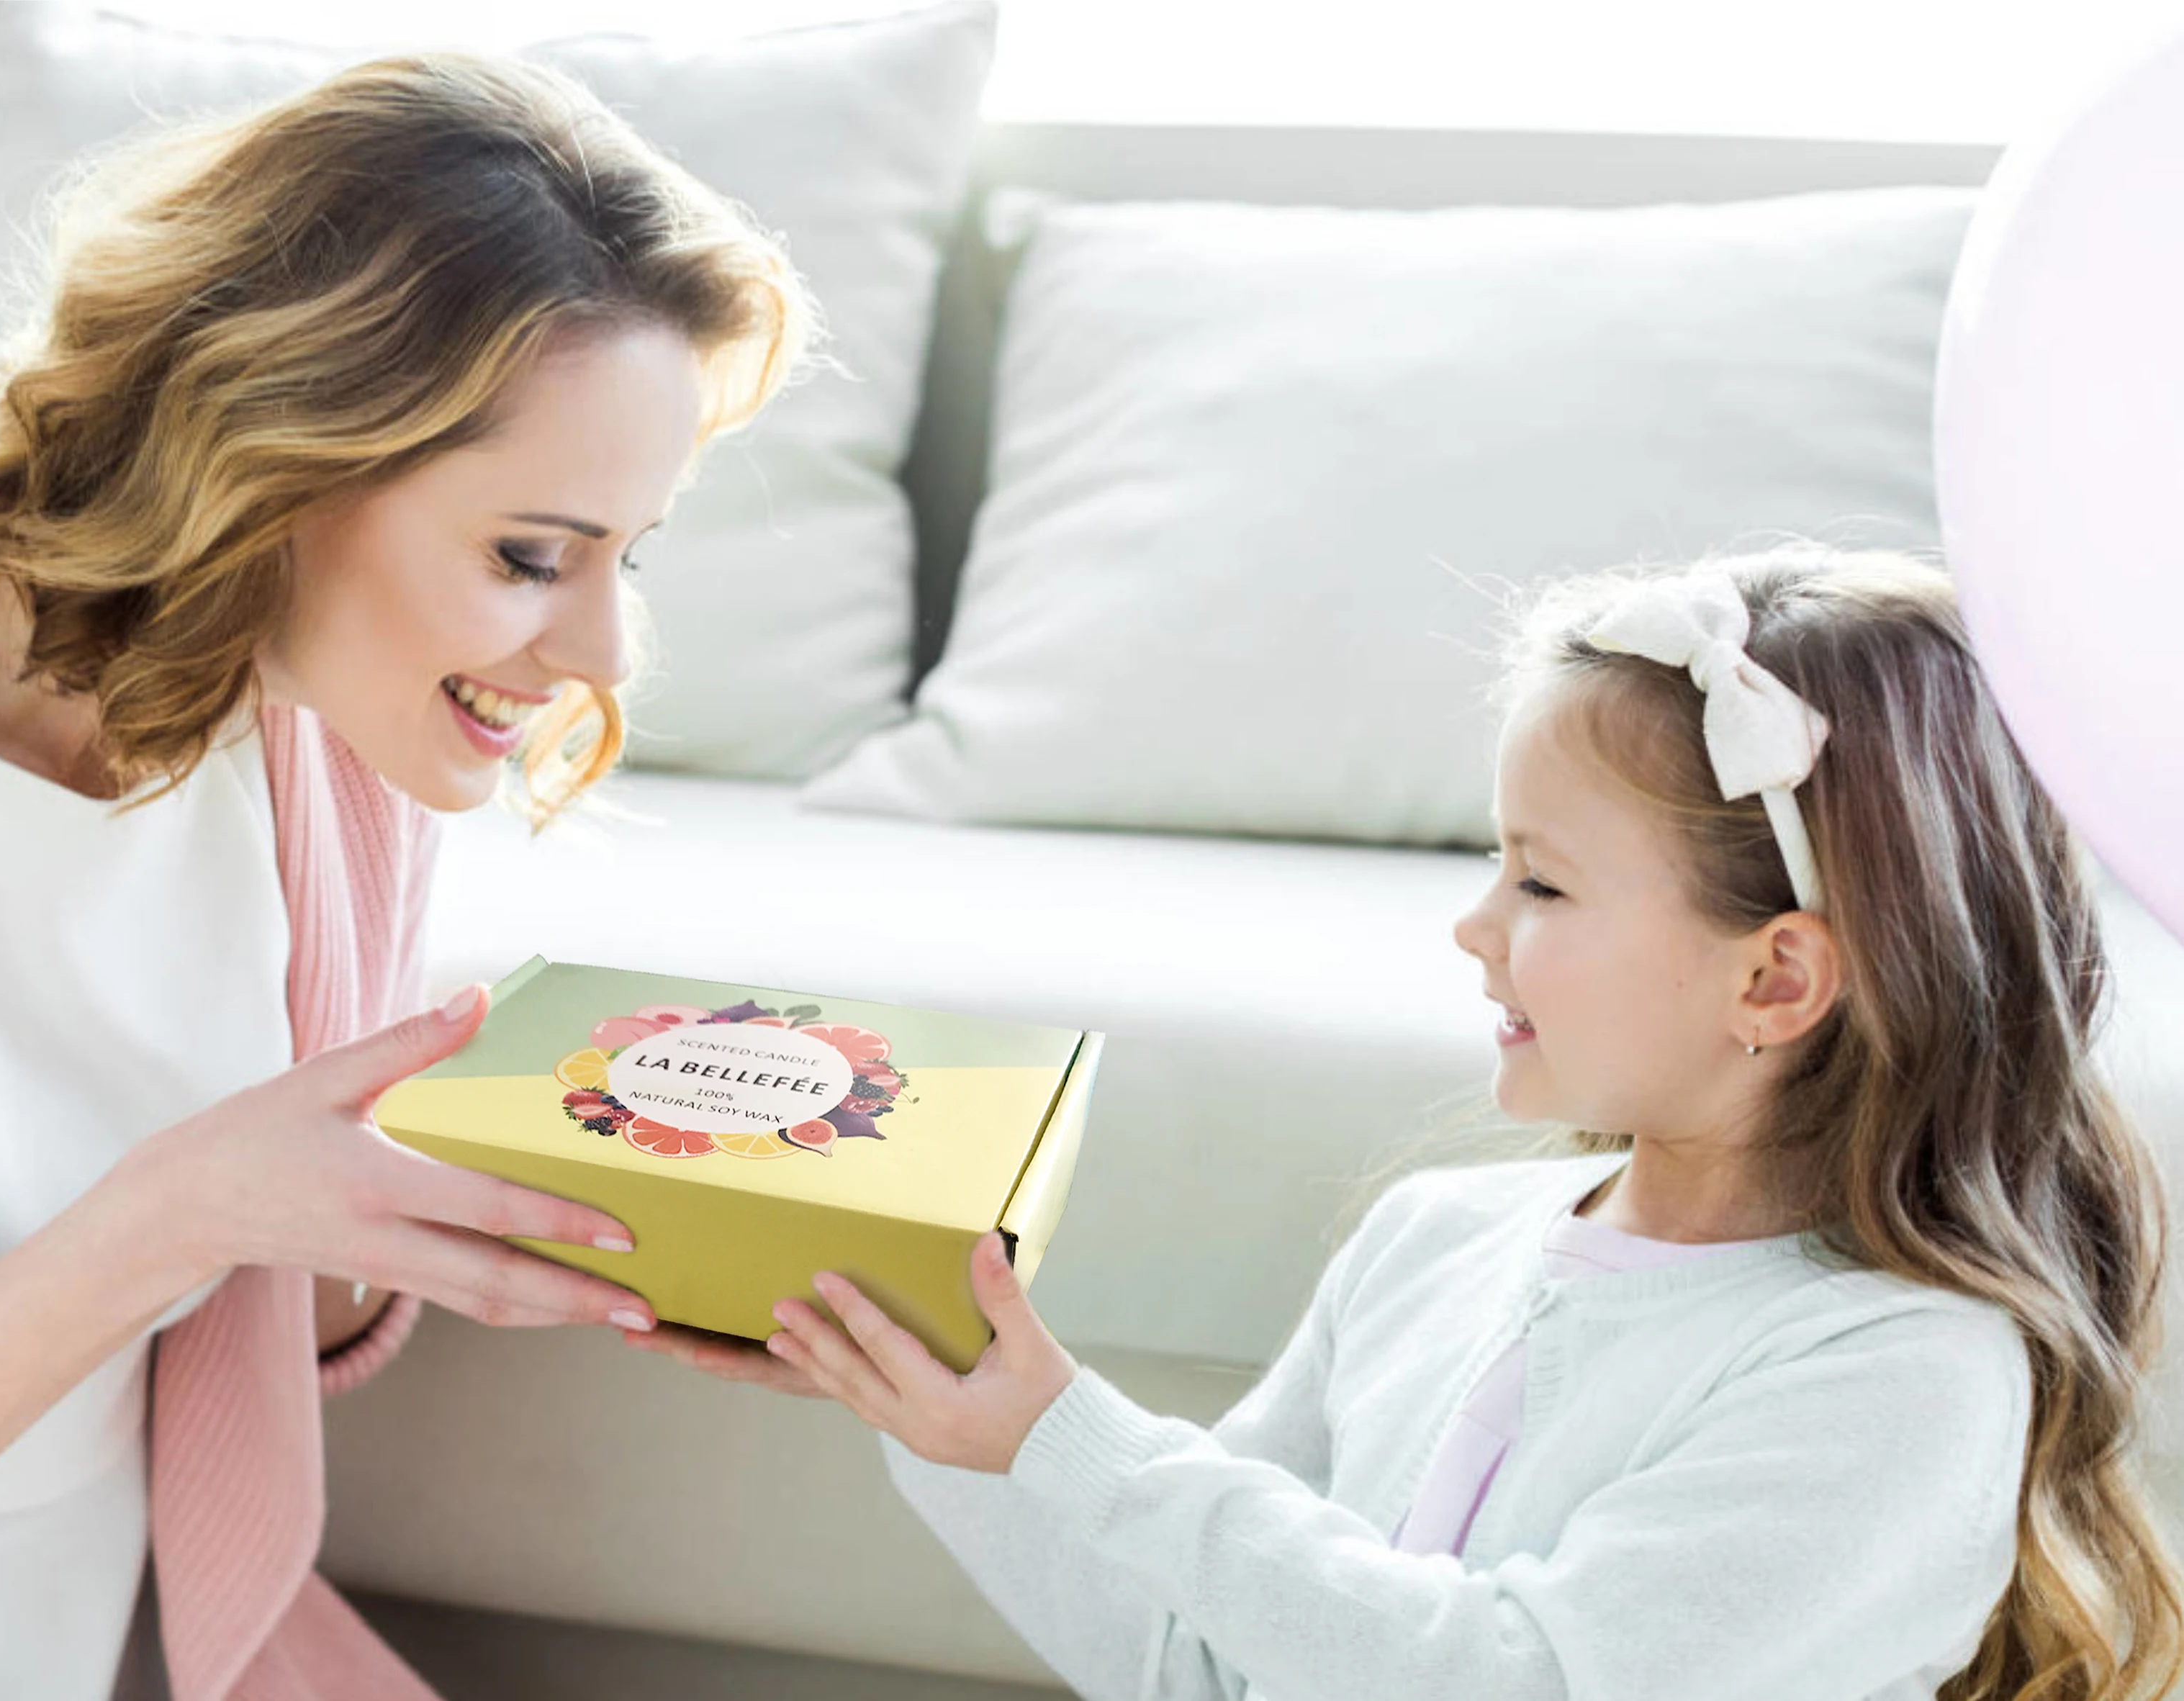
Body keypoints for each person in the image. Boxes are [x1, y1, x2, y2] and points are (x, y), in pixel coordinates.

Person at [0, 52, 806, 1701]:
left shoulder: (337, 733)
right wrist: (185, 1207)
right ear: (274, 455)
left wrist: (535, 1210)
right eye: (531, 555)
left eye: (622, 556)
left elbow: (273, 1317)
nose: (601, 653)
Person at [636, 549, 2184, 1699]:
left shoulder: (1898, 1378)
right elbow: (1197, 1658)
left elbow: (1520, 1680)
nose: (1473, 925)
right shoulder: (1434, 1240)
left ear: (1774, 976)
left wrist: (1074, 1439)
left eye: (1542, 881)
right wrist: (940, 1401)